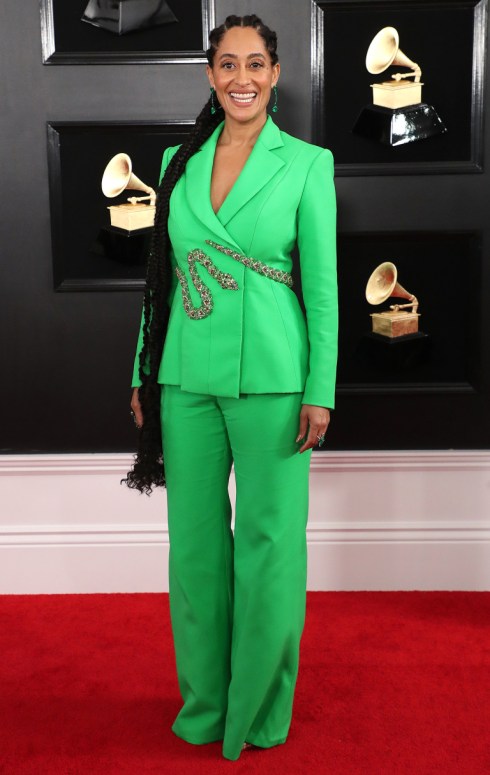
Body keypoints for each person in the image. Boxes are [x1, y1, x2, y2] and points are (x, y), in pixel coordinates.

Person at [124, 13, 338, 762]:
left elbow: (323, 290)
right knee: (194, 551)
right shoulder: (176, 159)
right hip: (185, 377)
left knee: (270, 546)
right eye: (226, 64)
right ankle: (206, 704)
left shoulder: (307, 164)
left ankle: (258, 710)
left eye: (255, 63)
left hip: (278, 383)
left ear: (275, 73)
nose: (241, 77)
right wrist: (143, 370)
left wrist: (321, 388)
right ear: (210, 76)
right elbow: (161, 280)